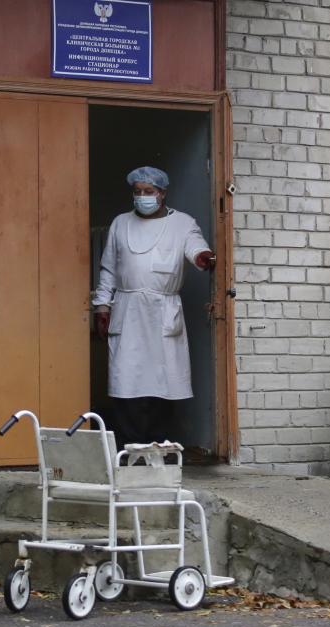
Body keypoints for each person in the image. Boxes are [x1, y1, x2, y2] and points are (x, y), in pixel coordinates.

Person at [93, 166, 216, 447]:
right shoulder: (120, 223)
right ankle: (129, 446)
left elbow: (195, 245)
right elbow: (108, 268)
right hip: (127, 308)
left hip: (163, 310)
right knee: (127, 380)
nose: (142, 197)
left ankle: (158, 445)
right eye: (137, 193)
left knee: (163, 382)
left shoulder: (182, 223)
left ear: (162, 193)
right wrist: (102, 306)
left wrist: (202, 257)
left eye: (149, 192)